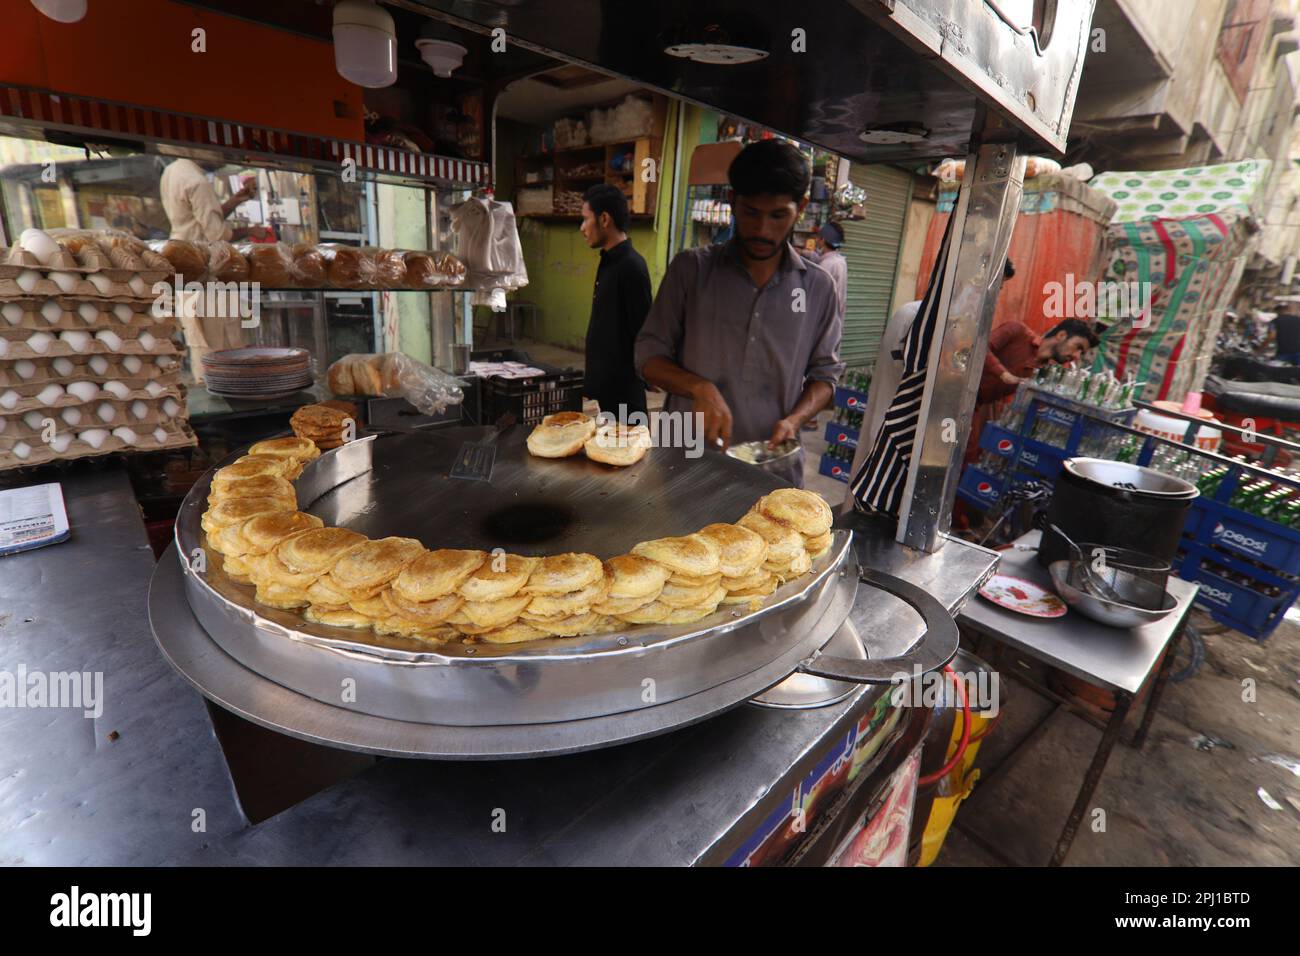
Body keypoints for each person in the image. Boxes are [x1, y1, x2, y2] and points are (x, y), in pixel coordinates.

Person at [635, 139, 844, 487]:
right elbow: (647, 356)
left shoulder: (819, 287)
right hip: (683, 464)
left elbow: (826, 376)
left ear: (802, 207)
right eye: (751, 213)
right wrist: (698, 388)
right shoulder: (691, 271)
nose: (763, 230)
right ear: (732, 202)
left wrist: (795, 419)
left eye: (778, 215)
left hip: (771, 470)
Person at [159, 158, 265, 381]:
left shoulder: (173, 171)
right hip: (208, 280)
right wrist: (251, 230)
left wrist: (235, 201)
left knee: (200, 346)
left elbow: (197, 224)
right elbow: (217, 236)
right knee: (224, 350)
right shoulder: (198, 182)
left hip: (187, 279)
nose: (223, 159)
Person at [578, 183, 652, 419]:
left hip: (625, 395)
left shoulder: (631, 266)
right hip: (607, 389)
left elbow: (642, 331)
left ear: (605, 219)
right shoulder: (609, 261)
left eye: (585, 219)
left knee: (630, 450)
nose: (582, 228)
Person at [810, 221, 847, 319]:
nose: (816, 239)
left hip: (825, 320)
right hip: (835, 318)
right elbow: (818, 258)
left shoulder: (827, 265)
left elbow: (816, 297)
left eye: (819, 236)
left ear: (822, 240)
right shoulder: (839, 261)